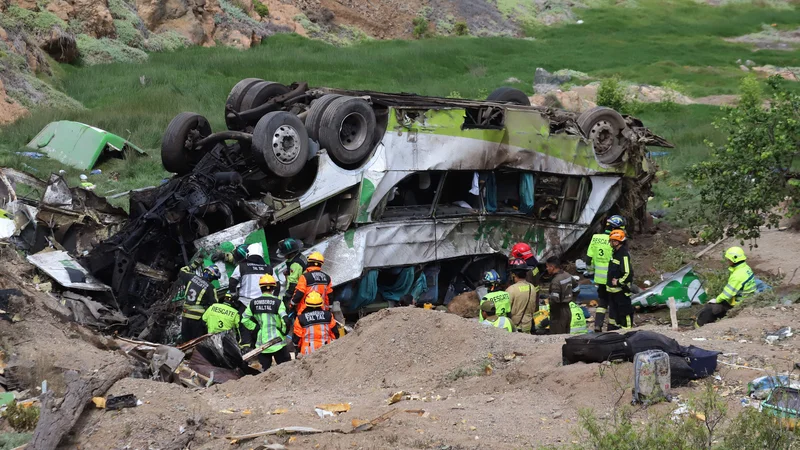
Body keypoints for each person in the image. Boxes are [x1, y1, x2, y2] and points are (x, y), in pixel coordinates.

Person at [695, 247, 756, 327]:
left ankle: (699, 328)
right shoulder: (745, 268)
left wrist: (716, 300)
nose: (727, 261)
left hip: (739, 304)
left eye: (728, 259)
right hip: (746, 300)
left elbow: (727, 294)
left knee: (710, 309)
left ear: (734, 260)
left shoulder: (738, 275)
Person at [242, 274, 292, 370]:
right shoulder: (277, 302)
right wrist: (284, 331)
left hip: (262, 343)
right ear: (273, 288)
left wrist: (256, 328)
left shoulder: (253, 303)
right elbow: (285, 320)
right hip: (278, 341)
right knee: (286, 369)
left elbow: (244, 319)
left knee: (265, 372)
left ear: (260, 288)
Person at [586, 215, 626, 332]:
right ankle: (611, 328)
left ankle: (598, 325)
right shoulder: (616, 241)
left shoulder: (595, 237)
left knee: (602, 302)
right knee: (613, 303)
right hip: (612, 278)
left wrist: (591, 272)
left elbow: (588, 259)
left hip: (599, 278)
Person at [228, 243, 271, 351]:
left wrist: (234, 296)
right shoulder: (268, 268)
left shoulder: (241, 267)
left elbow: (232, 282)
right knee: (262, 324)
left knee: (244, 324)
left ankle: (246, 347)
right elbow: (277, 284)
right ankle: (264, 345)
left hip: (246, 302)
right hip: (263, 302)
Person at [180, 264, 221, 343]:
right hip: (197, 319)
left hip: (185, 315)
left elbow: (182, 271)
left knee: (185, 341)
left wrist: (193, 265)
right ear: (211, 276)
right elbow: (215, 305)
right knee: (196, 342)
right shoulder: (210, 287)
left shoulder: (192, 277)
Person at [293, 291, 337, 356]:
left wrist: (297, 349)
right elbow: (335, 334)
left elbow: (296, 339)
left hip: (307, 351)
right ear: (321, 303)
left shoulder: (300, 318)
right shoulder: (328, 315)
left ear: (306, 304)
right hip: (326, 349)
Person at [607, 229, 634, 330]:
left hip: (621, 290)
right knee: (615, 313)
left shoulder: (623, 254)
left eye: (612, 241)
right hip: (613, 291)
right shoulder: (615, 253)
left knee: (625, 312)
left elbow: (628, 273)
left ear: (617, 241)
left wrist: (618, 282)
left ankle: (627, 332)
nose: (610, 243)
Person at [545, 256, 580, 334]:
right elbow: (577, 289)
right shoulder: (567, 275)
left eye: (547, 267)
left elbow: (554, 300)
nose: (547, 269)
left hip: (558, 314)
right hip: (567, 310)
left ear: (552, 267)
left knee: (557, 337)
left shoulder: (555, 281)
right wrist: (570, 297)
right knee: (566, 335)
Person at [506, 258, 538, 333]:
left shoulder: (511, 289)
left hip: (515, 326)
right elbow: (533, 307)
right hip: (528, 325)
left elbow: (507, 310)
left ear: (513, 275)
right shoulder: (532, 287)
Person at [277, 238, 307, 303]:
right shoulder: (300, 256)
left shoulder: (295, 264)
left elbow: (293, 283)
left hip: (299, 292)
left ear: (290, 253)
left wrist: (287, 296)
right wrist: (289, 272)